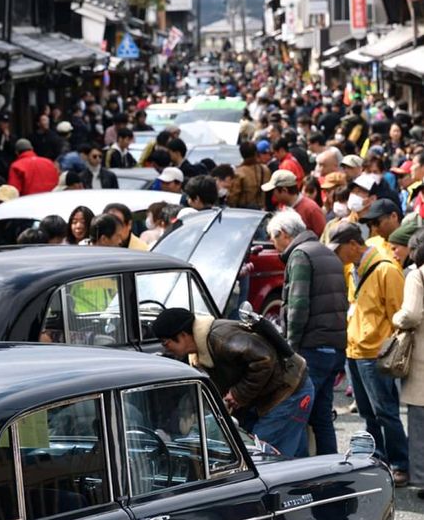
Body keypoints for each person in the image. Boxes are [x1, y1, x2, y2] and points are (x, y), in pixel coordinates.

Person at [151, 307, 314, 458]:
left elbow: (264, 360)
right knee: (294, 456)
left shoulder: (220, 337)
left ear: (183, 335)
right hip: (271, 395)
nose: (166, 348)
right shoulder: (200, 352)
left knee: (264, 455)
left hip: (287, 391)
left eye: (166, 342)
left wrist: (238, 394)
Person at [327, 222, 408, 485]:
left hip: (375, 352)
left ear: (353, 244)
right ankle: (378, 458)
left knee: (385, 410)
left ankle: (401, 464)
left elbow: (399, 314)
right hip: (355, 349)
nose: (337, 255)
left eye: (339, 249)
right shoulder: (353, 269)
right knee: (366, 412)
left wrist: (382, 342)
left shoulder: (386, 269)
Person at [268, 208, 347, 454]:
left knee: (298, 414)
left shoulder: (301, 254)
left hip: (311, 347)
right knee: (321, 416)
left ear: (282, 233)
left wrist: (290, 350)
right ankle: (331, 469)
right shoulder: (326, 252)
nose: (275, 246)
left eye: (273, 239)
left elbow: (298, 305)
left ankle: (304, 474)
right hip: (332, 346)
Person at [392, 242, 424, 498]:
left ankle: (422, 479)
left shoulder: (417, 274)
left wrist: (396, 318)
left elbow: (411, 315)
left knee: (420, 421)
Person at [262, 170, 326, 237]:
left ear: (284, 190)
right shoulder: (284, 207)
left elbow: (323, 236)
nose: (272, 196)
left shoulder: (311, 209)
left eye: (273, 191)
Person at [228, 142, 270, 208]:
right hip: (262, 211)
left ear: (241, 154)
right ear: (256, 153)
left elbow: (233, 197)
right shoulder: (265, 169)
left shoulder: (239, 173)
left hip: (244, 211)